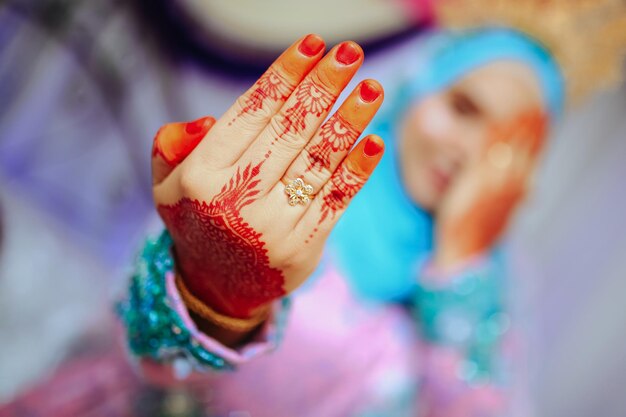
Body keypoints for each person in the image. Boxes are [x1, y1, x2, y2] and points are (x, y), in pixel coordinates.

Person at [117, 1, 626, 416]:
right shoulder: (297, 183)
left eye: (510, 146)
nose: (472, 154)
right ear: (417, 91)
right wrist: (215, 297)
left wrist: (459, 261)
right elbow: (147, 356)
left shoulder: (492, 292)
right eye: (464, 108)